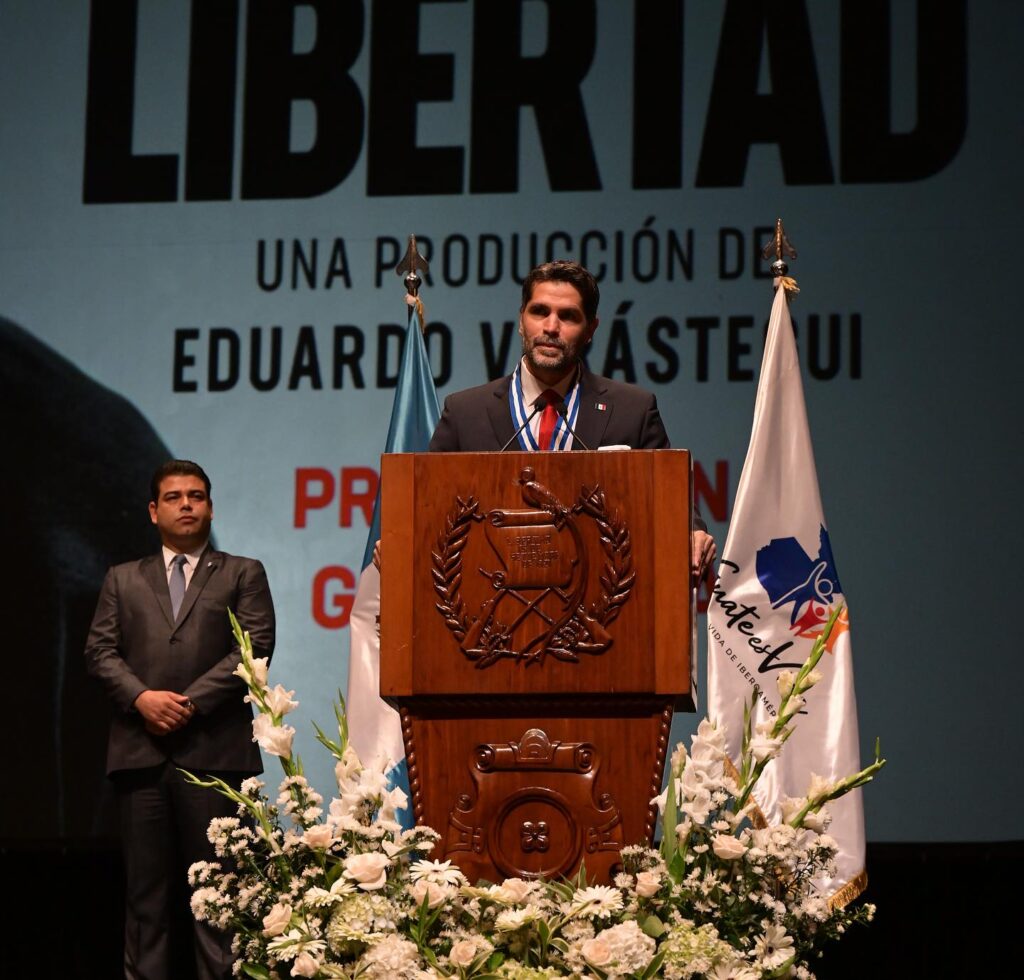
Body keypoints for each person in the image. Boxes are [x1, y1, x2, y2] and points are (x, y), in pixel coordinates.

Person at [84, 460, 275, 980]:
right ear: (153, 511)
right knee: (146, 903)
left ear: (210, 507)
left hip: (214, 755)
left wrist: (184, 705)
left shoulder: (242, 572)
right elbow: (100, 652)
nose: (186, 504)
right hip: (140, 757)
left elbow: (253, 648)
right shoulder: (122, 578)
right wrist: (143, 699)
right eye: (173, 497)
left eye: (196, 495)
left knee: (218, 897)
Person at [428, 260, 716, 578]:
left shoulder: (632, 410)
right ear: (521, 320)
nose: (551, 327)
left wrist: (692, 532)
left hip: (601, 594)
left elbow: (673, 502)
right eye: (539, 311)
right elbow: (427, 507)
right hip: (490, 589)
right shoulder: (466, 412)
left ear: (591, 329)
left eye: (568, 316)